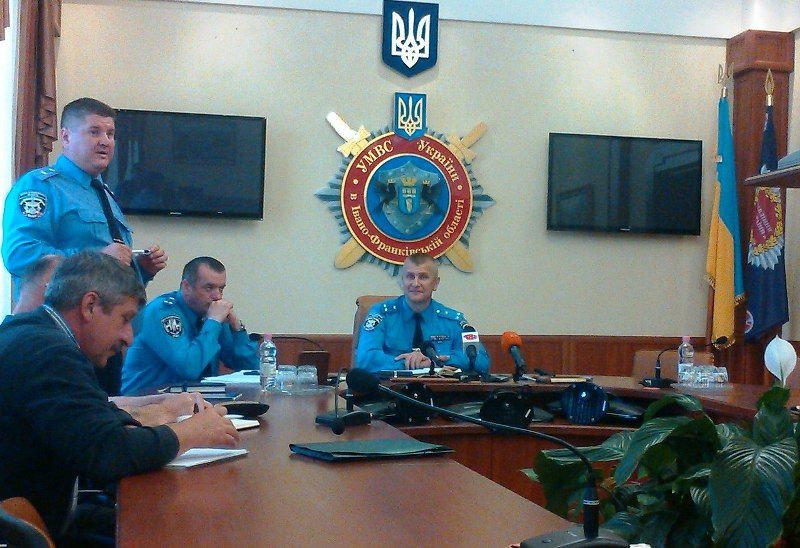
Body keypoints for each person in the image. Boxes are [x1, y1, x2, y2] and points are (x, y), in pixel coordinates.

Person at [0, 251, 239, 545]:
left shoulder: (33, 337)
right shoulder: (49, 352)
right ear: (89, 306)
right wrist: (192, 432)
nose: (129, 337)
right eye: (125, 319)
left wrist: (153, 412)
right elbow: (108, 452)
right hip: (38, 533)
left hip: (51, 516)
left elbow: (96, 413)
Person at [2, 97, 168, 298]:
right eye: (94, 132)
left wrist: (141, 268)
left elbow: (108, 273)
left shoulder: (105, 193)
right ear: (66, 137)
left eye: (110, 134)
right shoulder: (40, 186)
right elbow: (20, 255)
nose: (105, 141)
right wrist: (95, 260)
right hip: (62, 316)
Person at [121, 256, 259, 394]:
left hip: (193, 399)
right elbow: (189, 368)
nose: (217, 296)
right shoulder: (163, 312)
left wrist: (237, 329)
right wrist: (213, 323)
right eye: (209, 288)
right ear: (186, 287)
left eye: (221, 289)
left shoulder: (211, 314)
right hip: (145, 400)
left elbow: (251, 369)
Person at [355, 252, 490, 374]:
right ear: (402, 281)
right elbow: (365, 359)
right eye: (410, 276)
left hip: (440, 392)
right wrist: (413, 364)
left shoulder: (452, 320)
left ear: (435, 283)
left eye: (423, 277)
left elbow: (481, 361)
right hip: (390, 390)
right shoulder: (381, 315)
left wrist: (438, 361)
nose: (415, 283)